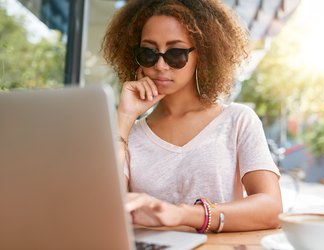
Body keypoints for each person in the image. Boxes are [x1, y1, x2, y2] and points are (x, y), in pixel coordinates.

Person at [101, 0, 282, 233]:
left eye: (175, 54)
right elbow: (102, 209)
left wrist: (182, 214)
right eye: (148, 53)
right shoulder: (126, 136)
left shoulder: (237, 120)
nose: (160, 65)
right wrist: (124, 116)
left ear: (203, 54)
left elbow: (272, 208)